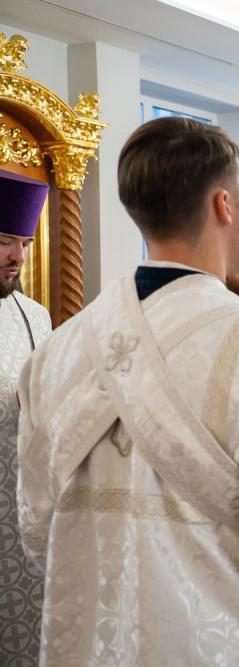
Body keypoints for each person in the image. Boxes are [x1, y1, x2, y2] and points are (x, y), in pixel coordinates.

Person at [16, 117, 239, 664]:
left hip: (93, 642)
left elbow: (39, 527)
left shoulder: (56, 354)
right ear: (225, 205)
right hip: (224, 644)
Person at [0, 169, 53, 666]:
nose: (17, 256)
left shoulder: (35, 315)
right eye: (4, 242)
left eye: (25, 243)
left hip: (24, 510)